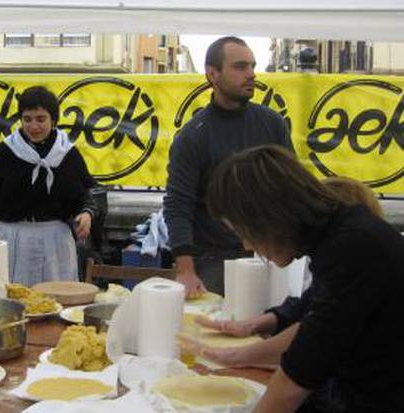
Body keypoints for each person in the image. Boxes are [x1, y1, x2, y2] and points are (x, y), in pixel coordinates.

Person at [201, 145, 404, 412]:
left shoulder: (354, 246)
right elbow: (311, 322)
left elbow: (296, 380)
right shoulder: (338, 236)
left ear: (270, 217)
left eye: (245, 231)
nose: (247, 244)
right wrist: (238, 356)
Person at [184, 175, 387, 370]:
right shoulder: (335, 252)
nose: (246, 244)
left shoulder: (354, 256)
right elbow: (307, 306)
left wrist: (239, 356)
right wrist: (253, 325)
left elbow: (315, 337)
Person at [164, 36, 293, 298]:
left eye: (252, 66)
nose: (251, 74)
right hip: (214, 260)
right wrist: (186, 269)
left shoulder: (273, 124)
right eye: (240, 66)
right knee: (217, 333)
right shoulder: (193, 136)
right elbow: (178, 205)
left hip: (271, 256)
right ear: (212, 74)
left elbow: (291, 189)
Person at [0, 86, 97, 286]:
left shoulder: (67, 153)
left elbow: (84, 194)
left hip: (55, 242)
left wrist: (87, 213)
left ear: (53, 120)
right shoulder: (5, 153)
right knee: (11, 300)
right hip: (11, 239)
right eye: (27, 119)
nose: (34, 126)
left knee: (57, 301)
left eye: (41, 119)